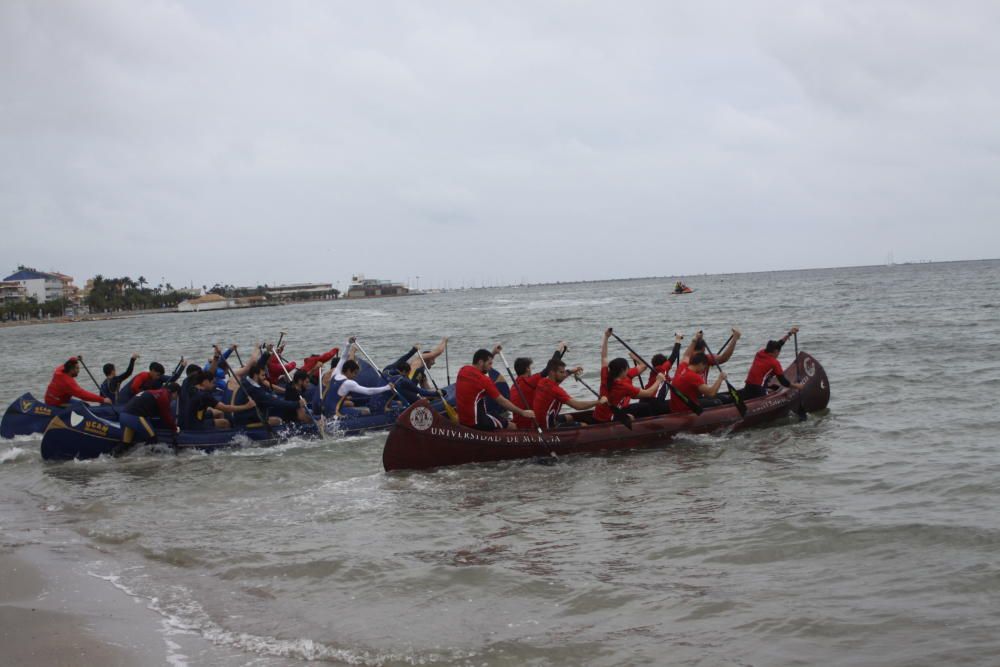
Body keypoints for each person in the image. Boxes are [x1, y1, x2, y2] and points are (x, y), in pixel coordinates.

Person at [593, 329, 665, 423]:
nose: (629, 369)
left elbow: (604, 357)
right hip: (609, 418)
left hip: (598, 415)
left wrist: (606, 337)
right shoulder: (623, 386)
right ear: (623, 371)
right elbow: (648, 393)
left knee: (642, 406)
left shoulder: (605, 375)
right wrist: (658, 380)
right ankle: (652, 426)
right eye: (628, 367)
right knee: (642, 409)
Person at [456, 347, 535, 430]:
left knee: (494, 414)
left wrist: (493, 353)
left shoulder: (462, 370)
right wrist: (522, 412)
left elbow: (484, 363)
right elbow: (502, 401)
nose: (491, 367)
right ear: (480, 362)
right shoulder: (484, 380)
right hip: (477, 422)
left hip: (462, 420)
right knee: (512, 426)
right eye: (490, 364)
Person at [509, 342, 580, 429]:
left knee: (569, 417)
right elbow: (548, 370)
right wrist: (559, 348)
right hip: (529, 423)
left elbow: (553, 376)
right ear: (527, 369)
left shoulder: (516, 384)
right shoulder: (527, 381)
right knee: (578, 423)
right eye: (530, 367)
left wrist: (570, 371)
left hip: (524, 419)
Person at [533, 359, 607, 429]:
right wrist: (598, 402)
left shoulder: (542, 381)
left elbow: (557, 381)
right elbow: (578, 406)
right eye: (561, 372)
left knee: (569, 417)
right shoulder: (556, 390)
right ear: (552, 372)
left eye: (564, 372)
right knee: (584, 425)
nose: (564, 374)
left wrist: (571, 371)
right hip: (547, 427)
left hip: (540, 421)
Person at [742, 327, 804, 399]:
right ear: (775, 352)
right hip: (758, 389)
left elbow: (779, 344)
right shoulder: (774, 363)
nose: (778, 354)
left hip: (748, 386)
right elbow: (783, 382)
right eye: (778, 352)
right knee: (766, 393)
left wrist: (789, 334)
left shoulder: (760, 353)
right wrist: (797, 386)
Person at [183, 371, 257, 429]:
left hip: (188, 420)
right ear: (205, 381)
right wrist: (247, 406)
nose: (214, 385)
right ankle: (224, 437)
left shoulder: (190, 387)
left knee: (218, 412)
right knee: (225, 422)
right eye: (212, 383)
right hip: (195, 424)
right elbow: (226, 408)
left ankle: (215, 430)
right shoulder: (204, 396)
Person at [44, 357, 113, 407]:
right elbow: (83, 395)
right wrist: (102, 400)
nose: (79, 370)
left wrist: (76, 358)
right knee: (83, 407)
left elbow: (69, 361)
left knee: (84, 404)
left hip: (51, 398)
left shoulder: (60, 370)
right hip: (55, 403)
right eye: (77, 368)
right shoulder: (68, 382)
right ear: (71, 369)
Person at [117, 360, 184, 404]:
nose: (158, 377)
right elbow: (134, 387)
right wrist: (144, 396)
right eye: (157, 375)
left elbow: (173, 378)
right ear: (152, 370)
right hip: (125, 398)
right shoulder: (143, 375)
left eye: (160, 375)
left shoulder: (154, 378)